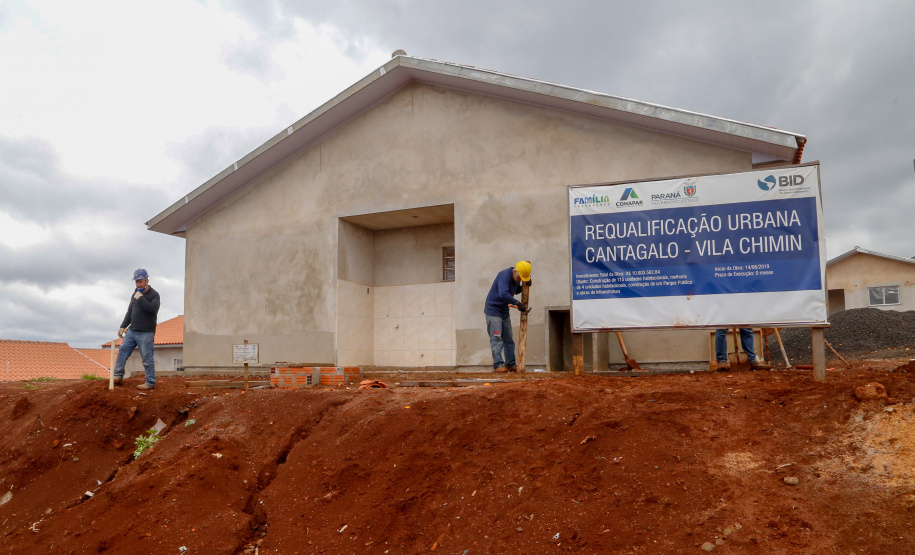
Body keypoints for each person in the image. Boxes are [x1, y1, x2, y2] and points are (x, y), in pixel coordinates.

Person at [114, 269, 161, 390]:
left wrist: (141, 298)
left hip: (146, 332)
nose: (138, 284)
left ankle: (150, 382)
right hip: (132, 331)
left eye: (140, 281)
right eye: (136, 282)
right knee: (122, 351)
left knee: (147, 358)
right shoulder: (135, 294)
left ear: (147, 281)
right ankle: (118, 376)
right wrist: (123, 326)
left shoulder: (154, 295)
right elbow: (130, 312)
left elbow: (152, 309)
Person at [484, 261, 532, 373]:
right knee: (497, 338)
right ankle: (498, 365)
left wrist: (525, 284)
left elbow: (515, 290)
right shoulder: (504, 275)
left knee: (508, 339)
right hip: (493, 310)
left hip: (504, 310)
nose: (520, 280)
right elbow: (503, 294)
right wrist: (518, 303)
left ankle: (510, 364)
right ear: (515, 272)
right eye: (520, 278)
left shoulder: (516, 278)